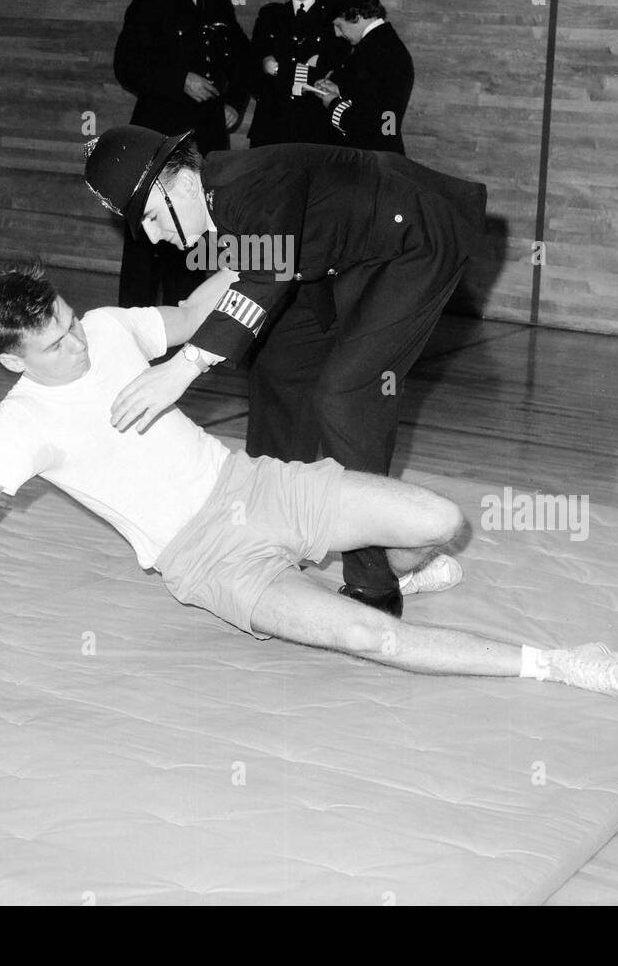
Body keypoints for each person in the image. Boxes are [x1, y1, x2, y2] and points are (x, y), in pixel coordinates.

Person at [0, 261, 618, 705]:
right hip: (208, 562)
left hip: (254, 484)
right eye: (52, 348)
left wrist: (255, 233)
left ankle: (364, 569)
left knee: (439, 517)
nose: (76, 349)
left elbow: (197, 315)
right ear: (14, 359)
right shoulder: (16, 427)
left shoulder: (106, 327)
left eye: (68, 325)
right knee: (371, 638)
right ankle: (563, 664)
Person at [84, 127, 489, 617]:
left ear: (185, 186)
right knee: (279, 364)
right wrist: (182, 328)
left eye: (150, 215)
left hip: (416, 237)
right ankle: (271, 536)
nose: (152, 235)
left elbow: (268, 272)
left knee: (348, 394)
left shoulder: (251, 184)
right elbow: (240, 274)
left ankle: (373, 585)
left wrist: (185, 365)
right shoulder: (215, 202)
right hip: (347, 253)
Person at [112, 0, 252, 307]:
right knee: (146, 232)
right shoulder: (151, 0)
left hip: (203, 137)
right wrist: (179, 81)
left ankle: (184, 319)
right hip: (160, 136)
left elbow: (240, 64)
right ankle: (134, 320)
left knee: (193, 233)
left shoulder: (220, 6)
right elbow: (127, 66)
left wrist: (234, 103)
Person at [248, 0, 345, 148]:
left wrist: (276, 70)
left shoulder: (334, 19)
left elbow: (330, 76)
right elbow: (253, 71)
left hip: (315, 131)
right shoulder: (270, 16)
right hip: (270, 129)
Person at [303, 0, 414, 154]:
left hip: (370, 157)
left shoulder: (378, 51)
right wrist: (339, 91)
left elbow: (374, 122)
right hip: (377, 155)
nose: (338, 34)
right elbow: (368, 97)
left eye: (339, 26)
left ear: (356, 16)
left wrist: (332, 103)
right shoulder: (380, 45)